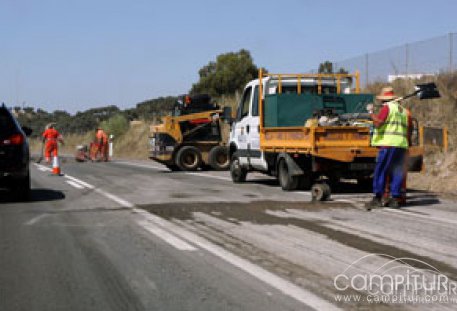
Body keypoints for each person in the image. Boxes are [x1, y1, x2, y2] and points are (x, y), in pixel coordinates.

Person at [365, 87, 411, 209]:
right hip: (401, 145)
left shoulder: (387, 108)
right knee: (397, 171)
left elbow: (378, 123)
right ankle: (395, 198)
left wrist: (370, 113)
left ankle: (378, 197)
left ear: (383, 100)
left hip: (388, 144)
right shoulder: (403, 111)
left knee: (381, 171)